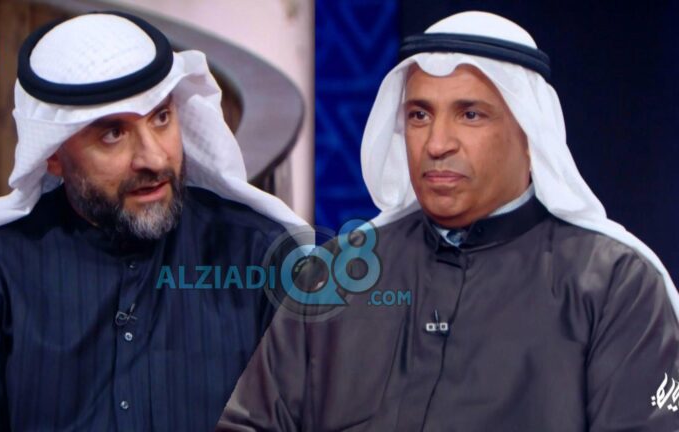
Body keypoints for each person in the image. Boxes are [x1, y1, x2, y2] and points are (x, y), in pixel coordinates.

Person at [217, 11, 679, 431]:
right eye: (419, 115)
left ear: (529, 133)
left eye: (470, 115)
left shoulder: (615, 286)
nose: (437, 143)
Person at [0, 11, 306, 431]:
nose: (153, 158)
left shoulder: (258, 255)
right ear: (53, 154)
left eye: (161, 118)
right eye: (113, 134)